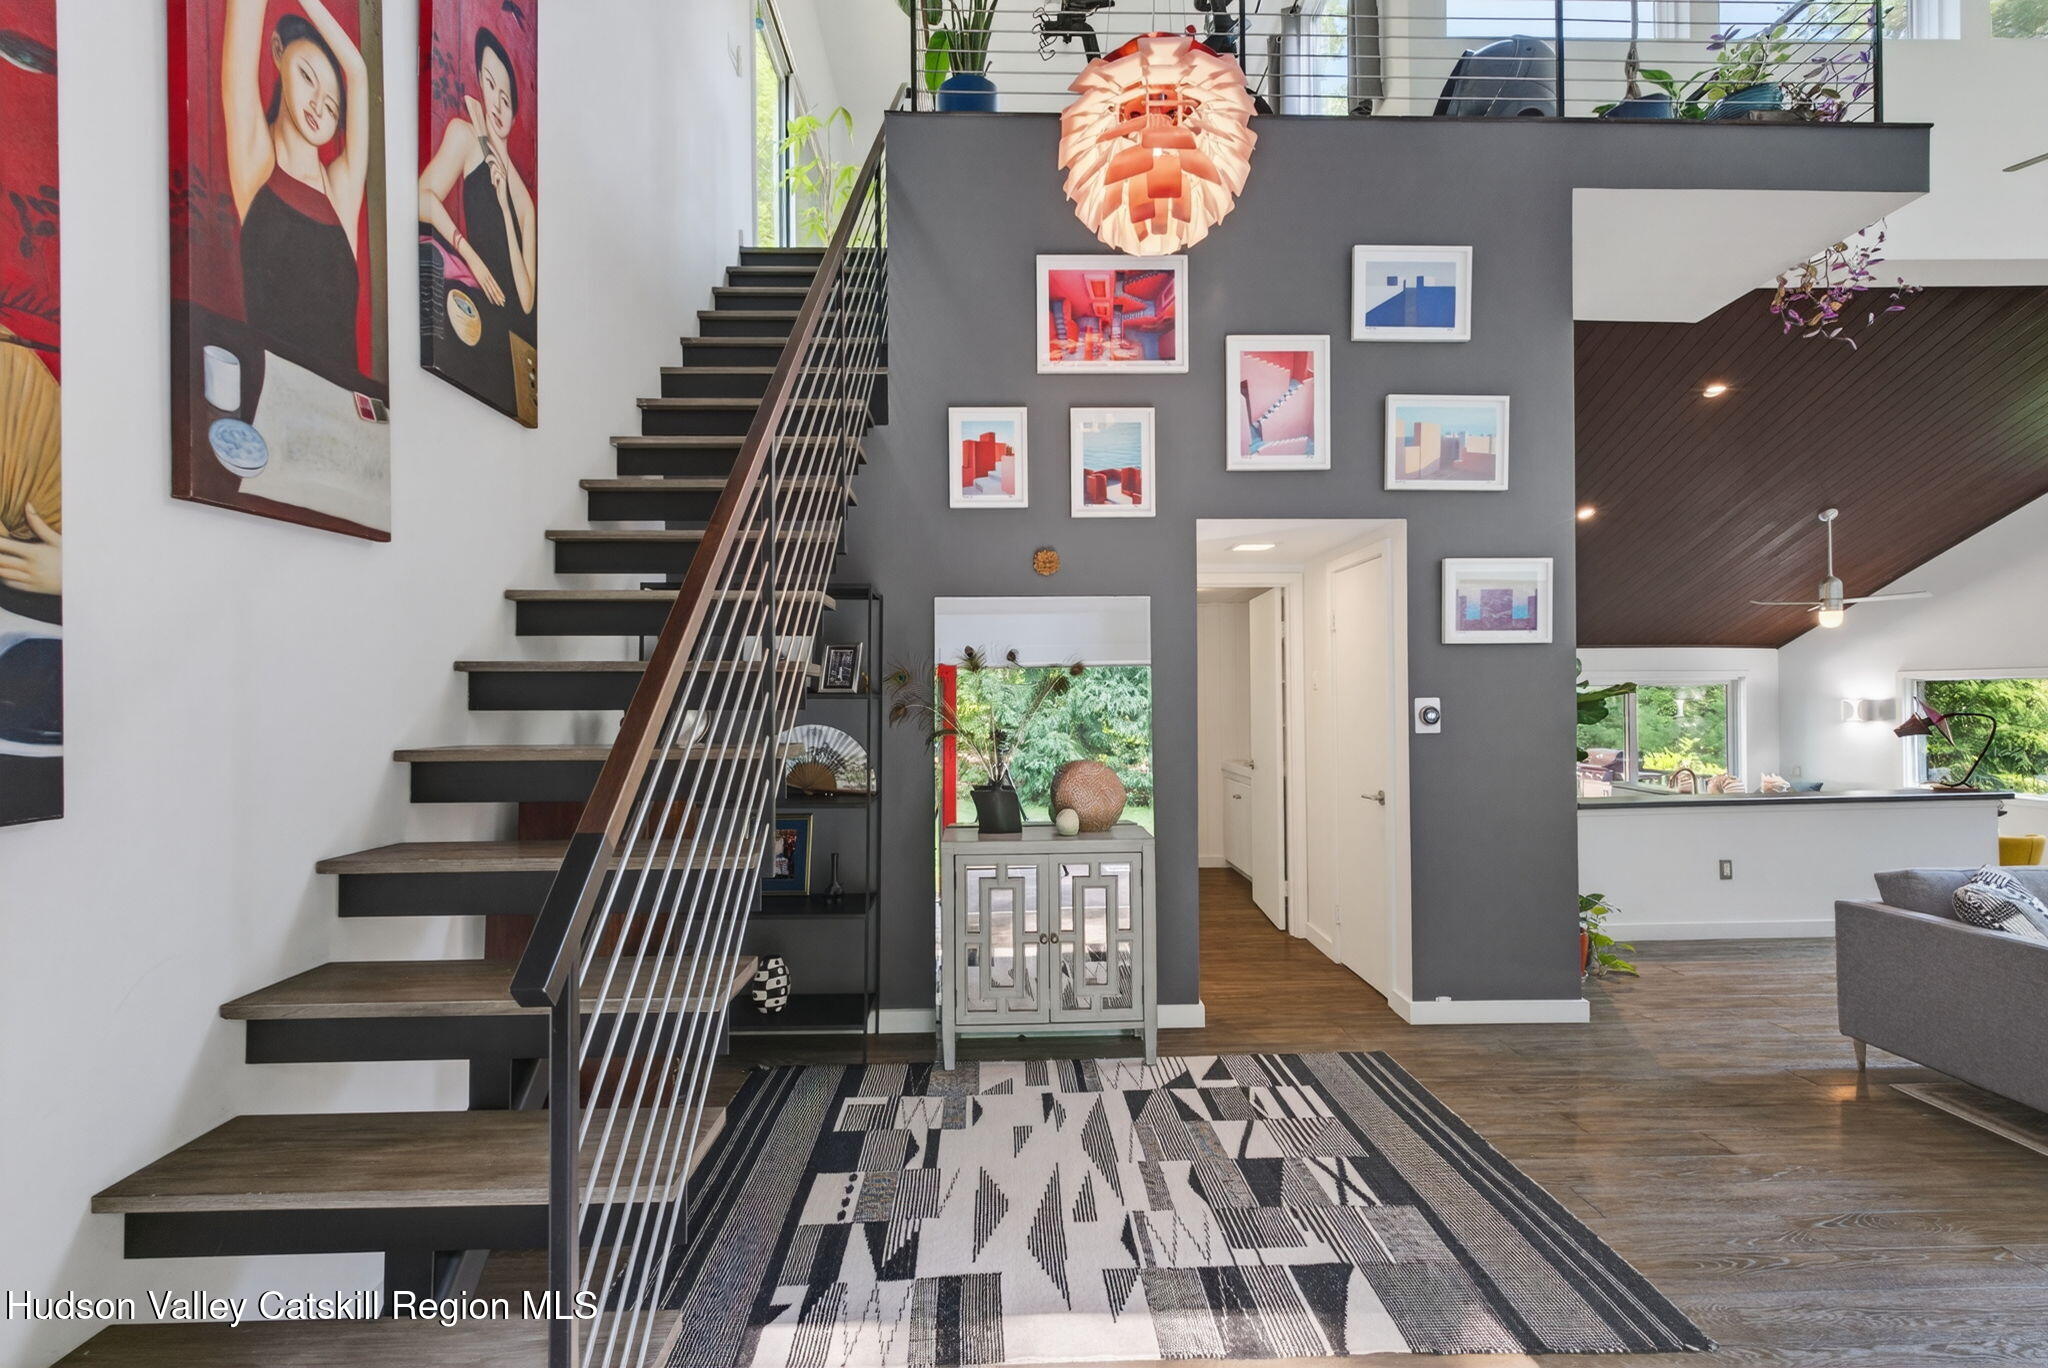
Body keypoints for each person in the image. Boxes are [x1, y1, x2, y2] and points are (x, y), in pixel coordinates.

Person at [222, 0, 372, 382]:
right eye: (307, 76)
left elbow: (357, 71)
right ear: (276, 51)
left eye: (334, 108)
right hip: (276, 403)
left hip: (347, 416)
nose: (320, 106)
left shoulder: (341, 189)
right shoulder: (257, 160)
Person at [418, 27, 537, 411]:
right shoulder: (465, 135)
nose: (497, 105)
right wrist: (467, 252)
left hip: (511, 333)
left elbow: (526, 299)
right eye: (489, 86)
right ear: (480, 86)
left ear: (516, 110)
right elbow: (422, 197)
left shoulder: (524, 201)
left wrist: (504, 206)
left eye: (507, 98)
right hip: (476, 314)